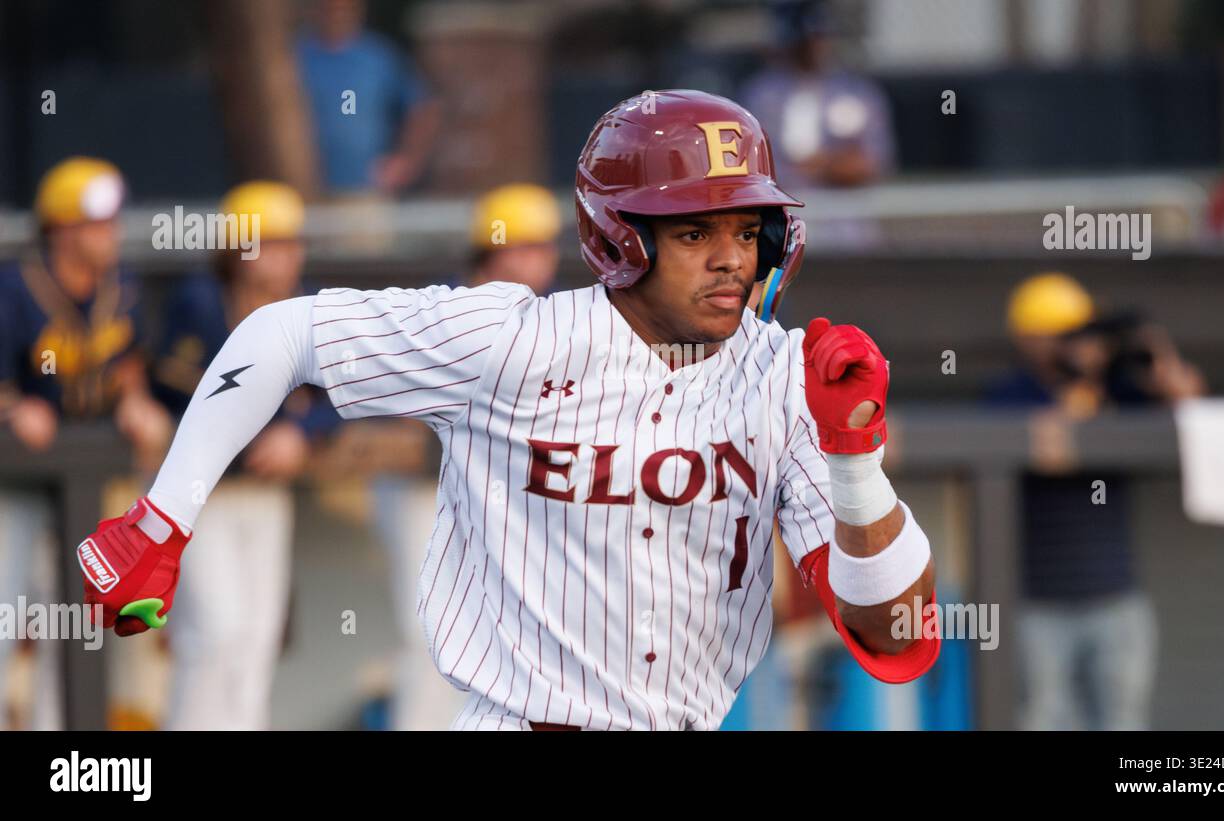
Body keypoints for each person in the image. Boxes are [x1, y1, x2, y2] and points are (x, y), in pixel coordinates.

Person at [77, 90, 940, 730]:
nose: (729, 259)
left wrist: (855, 456)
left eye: (746, 231)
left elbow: (893, 633)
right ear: (620, 237)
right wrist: (162, 520)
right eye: (693, 232)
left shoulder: (790, 376)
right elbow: (283, 331)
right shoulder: (509, 335)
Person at [368, 182, 562, 729]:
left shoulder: (555, 319)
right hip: (423, 493)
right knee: (434, 634)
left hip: (510, 496)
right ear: (489, 253)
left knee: (512, 640)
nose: (534, 261)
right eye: (520, 248)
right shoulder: (443, 310)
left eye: (542, 247)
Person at [150, 181, 340, 729]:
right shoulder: (200, 301)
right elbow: (180, 397)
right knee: (213, 632)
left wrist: (302, 433)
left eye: (290, 243)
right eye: (268, 243)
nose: (284, 256)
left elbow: (343, 393)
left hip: (265, 492)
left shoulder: (311, 305)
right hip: (201, 493)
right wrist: (274, 416)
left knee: (258, 638)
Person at [986, 272, 1203, 730]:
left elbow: (1189, 407)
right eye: (1063, 337)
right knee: (1043, 720)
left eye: (1084, 335)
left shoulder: (1120, 391)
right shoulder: (1009, 394)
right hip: (1038, 601)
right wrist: (1078, 392)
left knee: (1123, 722)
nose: (1076, 346)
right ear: (1030, 339)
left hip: (1116, 599)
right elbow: (1045, 437)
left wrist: (1154, 356)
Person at [0, 157, 171, 729]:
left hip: (85, 485)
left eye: (110, 223)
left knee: (75, 632)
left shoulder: (121, 288)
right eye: (95, 224)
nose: (109, 235)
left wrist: (135, 400)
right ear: (61, 229)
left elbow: (127, 363)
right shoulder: (14, 287)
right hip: (14, 483)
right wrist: (12, 406)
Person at [740, 0, 896, 192]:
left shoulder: (856, 90)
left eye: (818, 36)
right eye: (804, 38)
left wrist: (823, 165)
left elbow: (873, 162)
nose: (813, 45)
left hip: (845, 214)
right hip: (786, 211)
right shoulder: (763, 92)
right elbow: (758, 169)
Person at [297, 0, 439, 194]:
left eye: (344, 9)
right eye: (327, 8)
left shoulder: (378, 56)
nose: (336, 15)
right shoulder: (294, 57)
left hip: (367, 187)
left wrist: (405, 161)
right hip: (304, 187)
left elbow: (422, 108)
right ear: (312, 9)